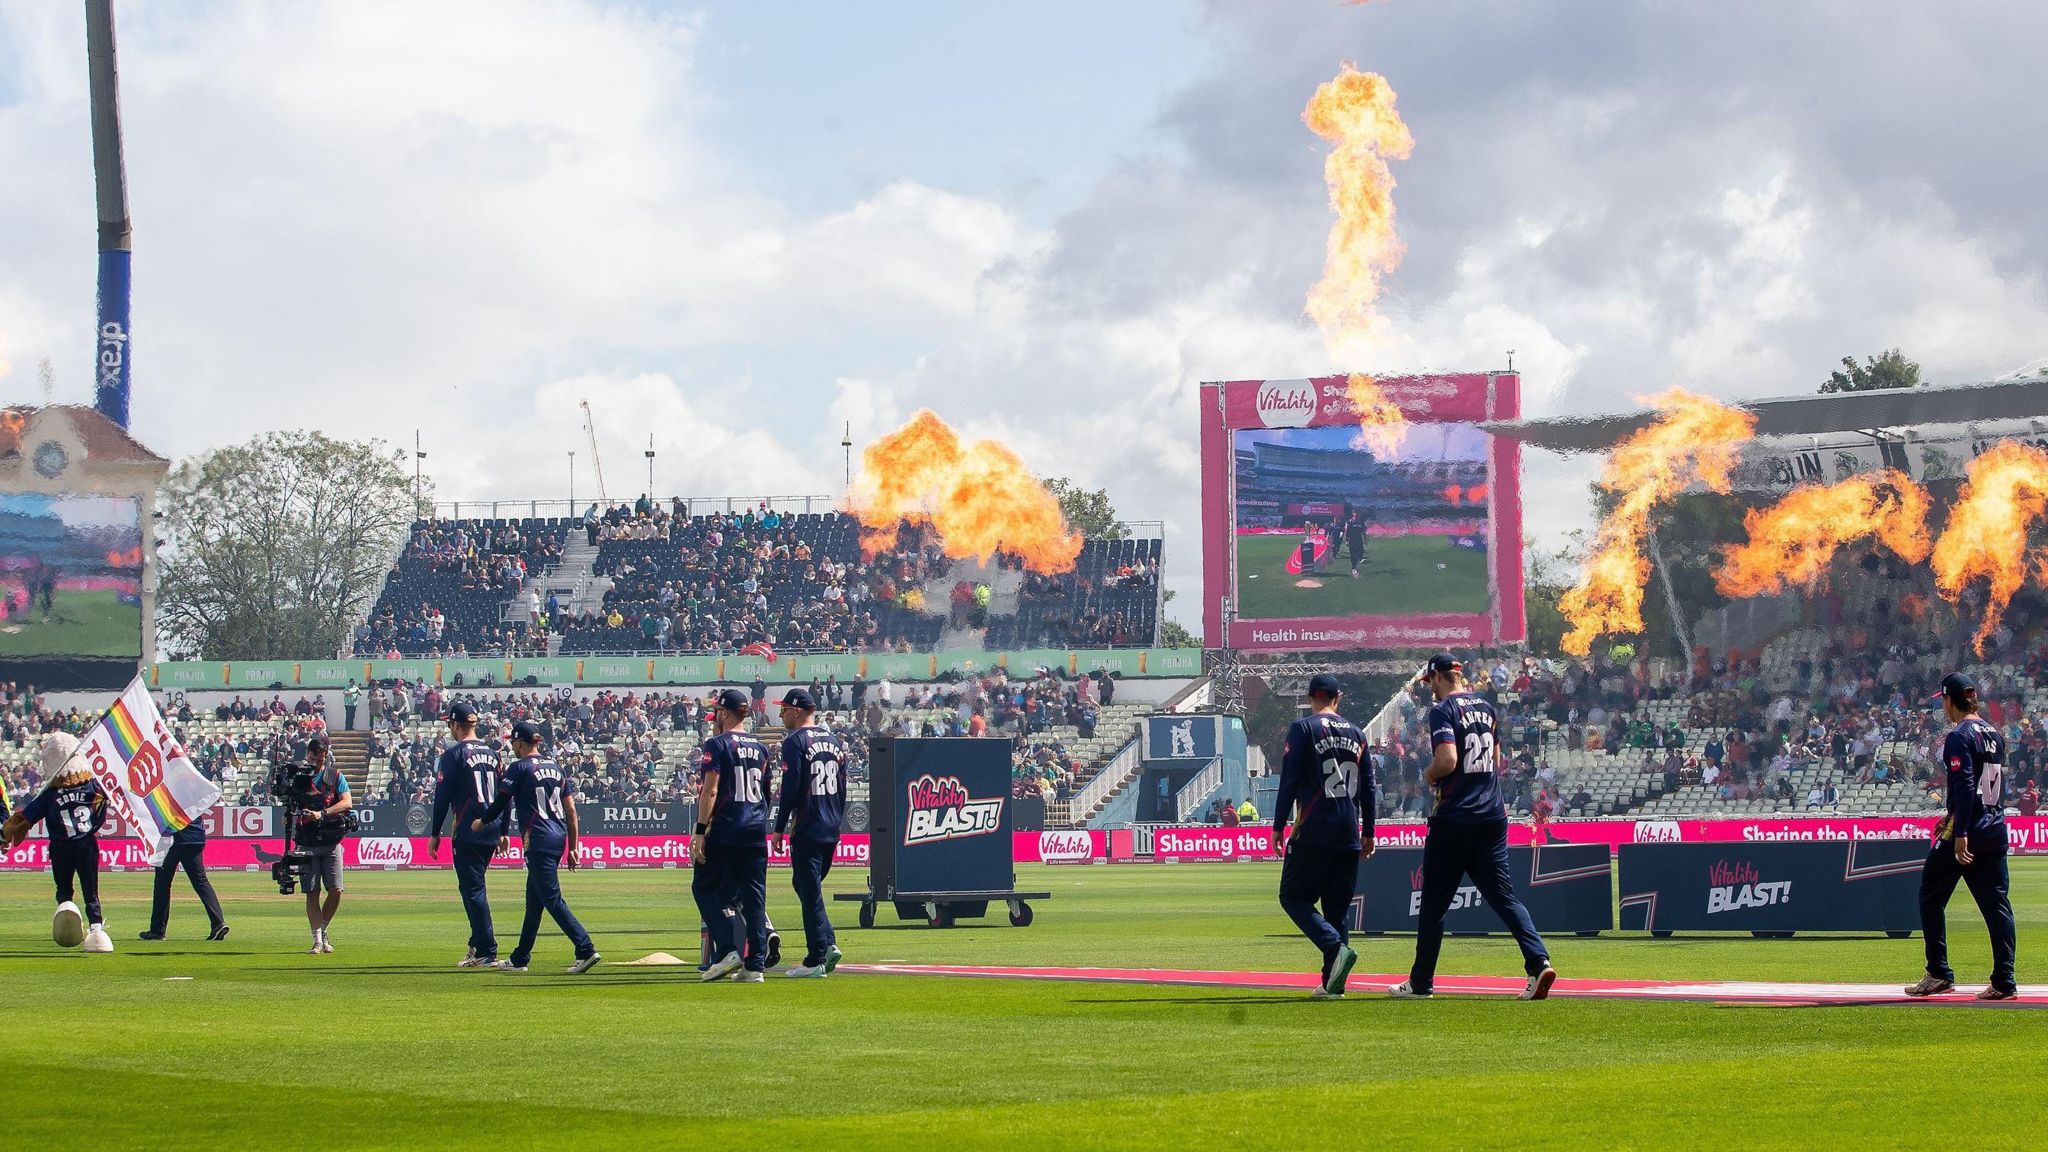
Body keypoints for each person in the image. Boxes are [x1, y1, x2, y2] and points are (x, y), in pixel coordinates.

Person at [1389, 654, 1556, 1000]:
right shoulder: (1486, 708)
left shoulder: (1442, 711)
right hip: (1491, 816)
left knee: (1434, 904)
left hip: (1455, 818)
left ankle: (1421, 983)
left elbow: (1448, 759)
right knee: (1505, 897)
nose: (1429, 689)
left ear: (1437, 677)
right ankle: (1538, 962)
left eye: (1429, 682)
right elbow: (1495, 760)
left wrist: (1429, 774)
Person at [1906, 672, 2018, 1000]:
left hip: (1968, 832)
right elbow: (1987, 787)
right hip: (1994, 827)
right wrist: (1953, 815)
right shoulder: (1993, 734)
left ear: (1949, 699)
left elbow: (1967, 785)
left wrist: (1960, 830)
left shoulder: (1958, 736)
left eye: (1942, 700)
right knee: (1997, 906)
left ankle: (1938, 972)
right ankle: (2004, 980)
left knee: (1929, 896)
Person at [1272, 674, 1374, 999]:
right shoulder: (1358, 734)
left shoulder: (1303, 728)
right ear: (1338, 697)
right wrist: (1369, 830)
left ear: (1310, 697)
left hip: (1314, 828)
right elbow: (1369, 788)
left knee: (1293, 897)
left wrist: (1278, 825)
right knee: (1337, 910)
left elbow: (1289, 781)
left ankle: (1334, 948)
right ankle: (1333, 983)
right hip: (1349, 831)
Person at [471, 721, 599, 974]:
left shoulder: (519, 768)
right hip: (558, 836)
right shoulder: (556, 767)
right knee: (535, 901)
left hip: (537, 838)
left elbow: (500, 801)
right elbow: (571, 811)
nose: (511, 747)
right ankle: (520, 958)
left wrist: (482, 821)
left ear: (519, 742)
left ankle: (585, 948)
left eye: (512, 743)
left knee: (551, 898)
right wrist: (574, 847)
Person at [2, 733, 114, 950]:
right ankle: (96, 931)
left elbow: (26, 817)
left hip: (61, 846)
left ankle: (67, 909)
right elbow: (105, 804)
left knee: (64, 888)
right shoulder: (93, 787)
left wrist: (4, 833)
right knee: (91, 889)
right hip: (87, 844)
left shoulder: (50, 794)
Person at [695, 688, 772, 983]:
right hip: (755, 828)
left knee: (704, 887)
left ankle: (727, 948)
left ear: (724, 713)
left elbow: (710, 789)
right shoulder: (762, 747)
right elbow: (765, 792)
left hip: (727, 826)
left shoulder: (717, 744)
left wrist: (701, 831)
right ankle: (755, 966)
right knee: (754, 896)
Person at [429, 701, 510, 968]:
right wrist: (503, 830)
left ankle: (486, 949)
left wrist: (435, 833)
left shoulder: (454, 754)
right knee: (471, 887)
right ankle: (477, 944)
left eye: (449, 724)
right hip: (491, 828)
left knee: (473, 889)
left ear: (455, 724)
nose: (449, 729)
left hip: (467, 829)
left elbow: (442, 797)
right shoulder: (494, 753)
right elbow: (504, 796)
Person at [771, 688, 846, 978]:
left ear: (798, 711)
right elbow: (841, 786)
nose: (782, 715)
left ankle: (816, 957)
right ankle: (828, 943)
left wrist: (779, 828)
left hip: (808, 824)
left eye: (785, 710)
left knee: (809, 889)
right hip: (830, 825)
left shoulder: (795, 741)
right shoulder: (835, 741)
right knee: (805, 886)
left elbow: (791, 787)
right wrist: (836, 820)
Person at [293, 737, 352, 954]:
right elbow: (287, 803)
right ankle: (317, 939)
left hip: (331, 839)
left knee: (336, 889)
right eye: (313, 758)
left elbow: (347, 801)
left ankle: (324, 929)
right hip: (306, 840)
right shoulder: (297, 777)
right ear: (307, 754)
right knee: (312, 891)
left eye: (320, 760)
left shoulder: (335, 776)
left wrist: (322, 813)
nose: (316, 763)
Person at [141, 816, 228, 943]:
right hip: (195, 837)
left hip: (171, 839)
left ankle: (157, 930)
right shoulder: (192, 795)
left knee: (162, 884)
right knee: (201, 882)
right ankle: (218, 922)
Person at [1345, 512, 1369, 579]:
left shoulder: (1360, 522)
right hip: (1352, 541)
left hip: (1359, 540)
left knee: (1361, 551)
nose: (1356, 516)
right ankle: (1354, 568)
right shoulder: (1350, 522)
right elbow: (1347, 532)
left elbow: (1363, 531)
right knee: (1353, 555)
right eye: (1355, 515)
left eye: (1357, 515)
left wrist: (1365, 539)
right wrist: (1347, 540)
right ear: (1353, 515)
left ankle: (1360, 559)